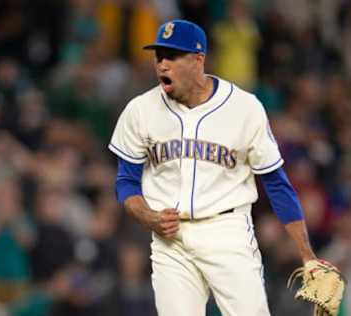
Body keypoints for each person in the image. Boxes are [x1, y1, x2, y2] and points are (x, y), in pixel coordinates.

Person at [108, 19, 318, 316]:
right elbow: (126, 181)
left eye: (173, 56)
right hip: (171, 241)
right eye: (159, 56)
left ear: (198, 60)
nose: (162, 64)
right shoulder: (140, 110)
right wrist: (147, 217)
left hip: (227, 232)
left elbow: (275, 182)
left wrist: (306, 254)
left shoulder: (245, 108)